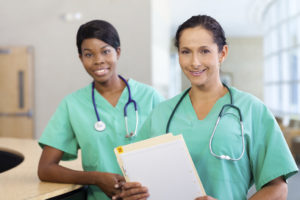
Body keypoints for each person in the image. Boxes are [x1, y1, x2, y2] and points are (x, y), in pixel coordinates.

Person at [116, 15, 298, 200]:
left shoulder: (252, 110)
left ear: (222, 53)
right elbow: (139, 178)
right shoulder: (161, 114)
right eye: (186, 52)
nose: (194, 62)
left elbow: (278, 189)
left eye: (204, 51)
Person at [37, 19, 163, 200]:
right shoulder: (73, 105)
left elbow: (174, 155)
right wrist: (95, 178)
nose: (98, 61)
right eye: (89, 54)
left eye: (105, 51)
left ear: (117, 52)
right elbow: (46, 168)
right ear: (80, 58)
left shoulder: (149, 97)